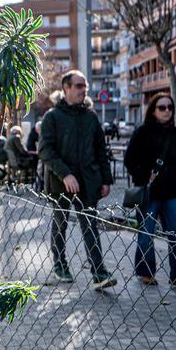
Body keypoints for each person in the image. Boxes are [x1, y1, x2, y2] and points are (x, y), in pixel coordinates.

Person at [38, 70, 117, 290]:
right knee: (60, 223)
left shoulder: (90, 116)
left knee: (90, 225)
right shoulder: (52, 116)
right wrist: (65, 174)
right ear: (66, 88)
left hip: (88, 181)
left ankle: (99, 272)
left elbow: (101, 150)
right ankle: (60, 264)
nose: (84, 90)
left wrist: (106, 180)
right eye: (79, 86)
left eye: (85, 86)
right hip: (60, 182)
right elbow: (45, 150)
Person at [125, 91, 176, 290]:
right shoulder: (142, 132)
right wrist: (144, 176)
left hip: (172, 192)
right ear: (153, 110)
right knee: (146, 233)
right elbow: (130, 160)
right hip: (149, 192)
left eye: (170, 107)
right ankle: (145, 272)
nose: (167, 111)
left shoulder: (175, 133)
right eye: (162, 107)